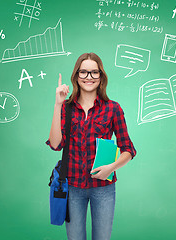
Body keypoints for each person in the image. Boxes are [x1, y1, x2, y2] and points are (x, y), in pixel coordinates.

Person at [46, 52, 136, 240]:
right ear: (76, 76)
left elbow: (128, 149)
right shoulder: (66, 108)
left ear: (101, 77)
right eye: (84, 72)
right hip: (72, 188)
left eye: (94, 72)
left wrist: (111, 168)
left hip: (103, 188)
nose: (89, 77)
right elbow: (55, 144)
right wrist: (57, 104)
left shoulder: (113, 108)